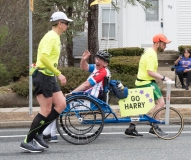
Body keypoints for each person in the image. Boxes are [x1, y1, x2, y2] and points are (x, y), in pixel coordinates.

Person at [20, 11, 73, 153]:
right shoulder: (52, 37)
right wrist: (58, 73)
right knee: (45, 110)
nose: (67, 26)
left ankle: (39, 133)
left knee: (61, 104)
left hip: (49, 76)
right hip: (43, 75)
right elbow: (43, 58)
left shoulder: (54, 37)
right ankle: (27, 141)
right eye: (66, 23)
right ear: (60, 24)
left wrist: (54, 74)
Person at [42, 50, 111, 142]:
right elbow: (84, 67)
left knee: (58, 105)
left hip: (93, 97)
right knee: (58, 105)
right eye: (97, 58)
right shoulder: (96, 68)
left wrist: (72, 93)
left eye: (100, 60)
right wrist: (83, 59)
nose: (97, 61)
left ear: (105, 63)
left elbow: (87, 84)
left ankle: (47, 134)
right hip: (88, 95)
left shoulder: (103, 72)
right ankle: (50, 134)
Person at [124, 34, 172, 138]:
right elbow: (150, 72)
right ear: (157, 43)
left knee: (142, 106)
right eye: (164, 43)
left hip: (141, 81)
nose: (165, 46)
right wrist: (164, 78)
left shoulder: (149, 52)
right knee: (161, 102)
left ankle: (131, 128)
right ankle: (154, 126)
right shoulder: (151, 54)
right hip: (147, 82)